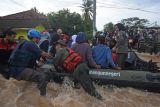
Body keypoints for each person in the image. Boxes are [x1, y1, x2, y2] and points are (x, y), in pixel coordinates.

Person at [8, 29, 53, 96]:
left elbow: (28, 58)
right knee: (42, 76)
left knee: (41, 71)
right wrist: (54, 57)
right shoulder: (31, 44)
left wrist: (38, 64)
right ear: (34, 38)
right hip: (20, 70)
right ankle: (43, 97)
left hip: (14, 69)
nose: (39, 39)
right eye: (38, 38)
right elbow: (44, 54)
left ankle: (30, 93)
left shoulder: (24, 43)